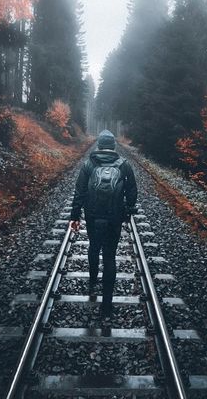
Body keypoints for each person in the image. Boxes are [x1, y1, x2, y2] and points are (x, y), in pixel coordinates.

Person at [69, 129, 138, 317]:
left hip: (92, 215)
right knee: (109, 257)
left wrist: (75, 216)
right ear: (113, 146)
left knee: (93, 247)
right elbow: (132, 191)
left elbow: (80, 192)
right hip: (114, 217)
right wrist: (128, 208)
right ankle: (107, 304)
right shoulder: (124, 165)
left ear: (99, 145)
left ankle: (92, 281)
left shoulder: (89, 164)